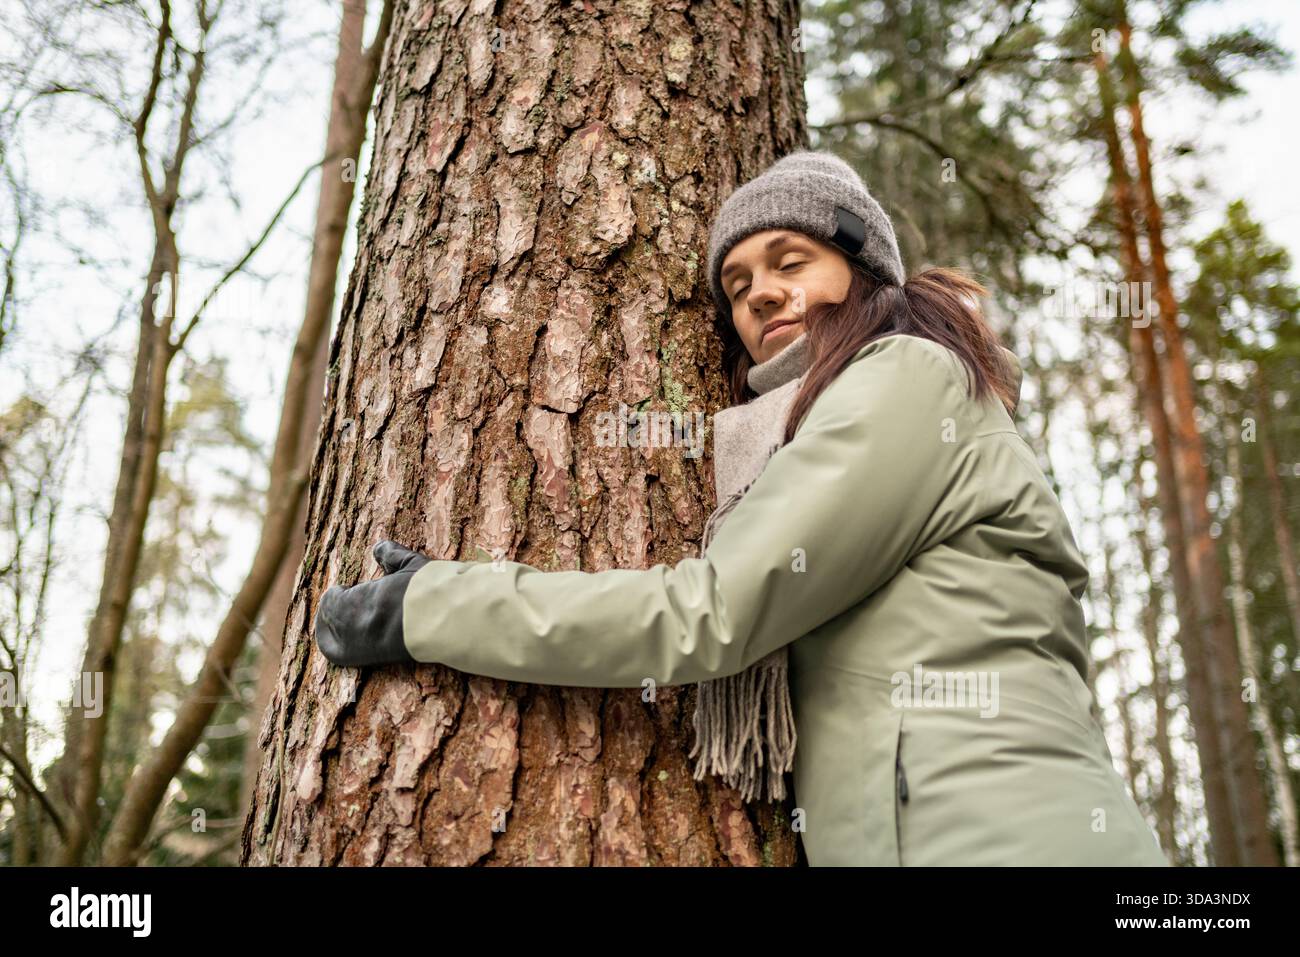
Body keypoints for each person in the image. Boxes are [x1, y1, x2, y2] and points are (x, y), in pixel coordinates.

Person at [313, 150, 1171, 867]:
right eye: (738, 282)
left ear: (864, 269)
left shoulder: (908, 377)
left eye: (792, 262)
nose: (760, 293)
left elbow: (710, 610)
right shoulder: (829, 417)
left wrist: (434, 604)